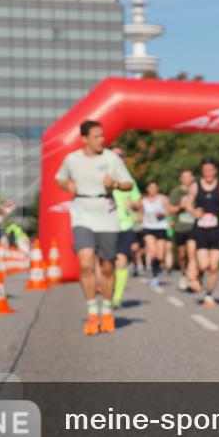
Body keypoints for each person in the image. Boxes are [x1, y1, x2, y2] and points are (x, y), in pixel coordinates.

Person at [55, 120, 134, 335]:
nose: (102, 140)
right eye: (97, 136)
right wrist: (66, 184)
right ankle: (92, 312)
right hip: (82, 213)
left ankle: (106, 311)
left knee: (107, 266)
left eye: (102, 136)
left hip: (106, 214)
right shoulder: (72, 159)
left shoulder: (112, 159)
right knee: (85, 261)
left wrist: (115, 184)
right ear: (85, 139)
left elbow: (129, 183)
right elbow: (59, 178)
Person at [189, 158, 219, 308]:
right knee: (204, 264)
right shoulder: (196, 186)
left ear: (215, 171)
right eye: (205, 170)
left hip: (217, 231)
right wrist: (193, 211)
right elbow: (188, 202)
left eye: (210, 170)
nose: (208, 173)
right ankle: (195, 270)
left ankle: (209, 296)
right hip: (200, 231)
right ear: (202, 171)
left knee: (214, 266)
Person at [111, 147, 142, 308]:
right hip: (105, 225)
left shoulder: (129, 180)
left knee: (122, 261)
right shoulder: (104, 178)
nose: (117, 159)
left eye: (120, 156)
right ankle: (107, 291)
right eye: (114, 156)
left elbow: (138, 202)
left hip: (125, 225)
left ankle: (116, 298)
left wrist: (134, 204)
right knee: (107, 263)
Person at [168, 168, 198, 292]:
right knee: (182, 254)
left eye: (188, 176)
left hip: (194, 227)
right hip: (180, 227)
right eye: (184, 177)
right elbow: (170, 209)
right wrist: (181, 206)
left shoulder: (196, 190)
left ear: (192, 178)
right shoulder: (176, 192)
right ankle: (183, 274)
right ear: (181, 179)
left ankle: (193, 277)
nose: (186, 179)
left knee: (192, 254)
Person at [140, 181, 171, 287]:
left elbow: (169, 210)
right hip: (148, 227)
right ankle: (155, 276)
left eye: (155, 187)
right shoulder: (143, 200)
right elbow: (140, 213)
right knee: (153, 251)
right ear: (147, 189)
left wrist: (162, 213)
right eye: (151, 187)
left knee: (160, 256)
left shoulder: (163, 198)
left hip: (160, 227)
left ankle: (157, 267)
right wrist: (138, 217)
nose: (153, 190)